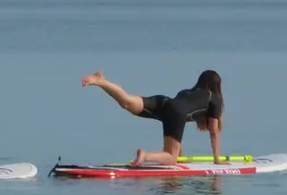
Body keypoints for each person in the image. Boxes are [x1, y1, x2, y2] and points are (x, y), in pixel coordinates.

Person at [81, 70, 223, 166]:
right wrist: (217, 159)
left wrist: (181, 154)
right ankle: (146, 156)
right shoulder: (214, 99)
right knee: (170, 158)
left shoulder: (188, 92)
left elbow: (178, 122)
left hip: (164, 102)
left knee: (127, 101)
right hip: (175, 113)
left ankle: (101, 81)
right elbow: (214, 131)